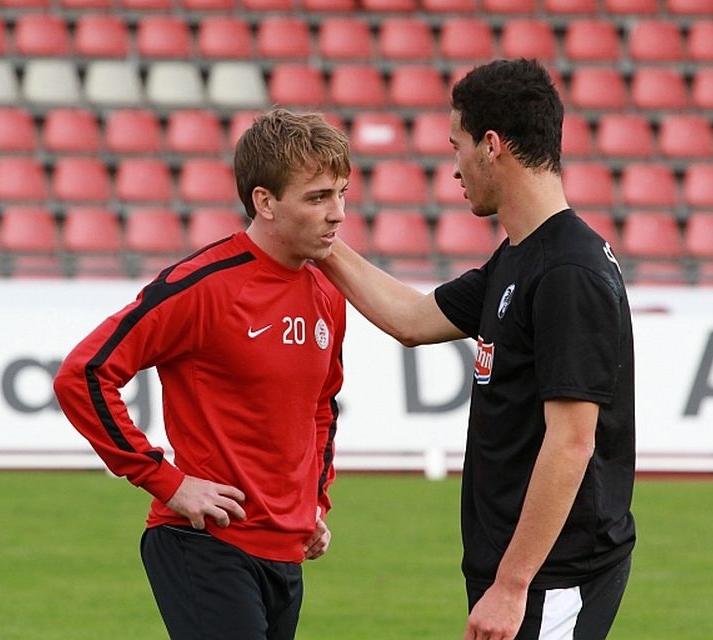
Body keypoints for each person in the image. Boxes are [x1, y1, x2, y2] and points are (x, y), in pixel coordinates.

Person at [318, 59, 636, 639]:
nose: (454, 168)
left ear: (492, 146)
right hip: (519, 573)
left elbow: (572, 441)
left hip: (551, 578)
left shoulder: (568, 272)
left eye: (456, 146)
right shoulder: (520, 256)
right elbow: (412, 319)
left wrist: (513, 585)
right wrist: (319, 241)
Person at [53, 108, 351, 640]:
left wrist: (314, 500)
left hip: (286, 552)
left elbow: (321, 408)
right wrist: (167, 481)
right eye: (317, 198)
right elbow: (84, 375)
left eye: (341, 194)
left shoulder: (328, 293)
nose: (338, 214)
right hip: (204, 543)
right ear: (265, 202)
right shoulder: (203, 285)